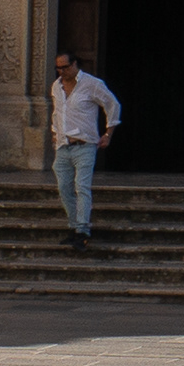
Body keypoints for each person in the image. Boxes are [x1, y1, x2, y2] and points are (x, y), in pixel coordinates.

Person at [46, 50, 121, 247]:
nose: (62, 71)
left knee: (82, 186)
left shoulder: (91, 84)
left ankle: (82, 229)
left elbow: (112, 105)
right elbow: (57, 113)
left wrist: (108, 134)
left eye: (65, 67)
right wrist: (55, 133)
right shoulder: (56, 86)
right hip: (63, 145)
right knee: (64, 187)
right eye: (58, 68)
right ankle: (74, 225)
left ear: (74, 65)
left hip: (84, 144)